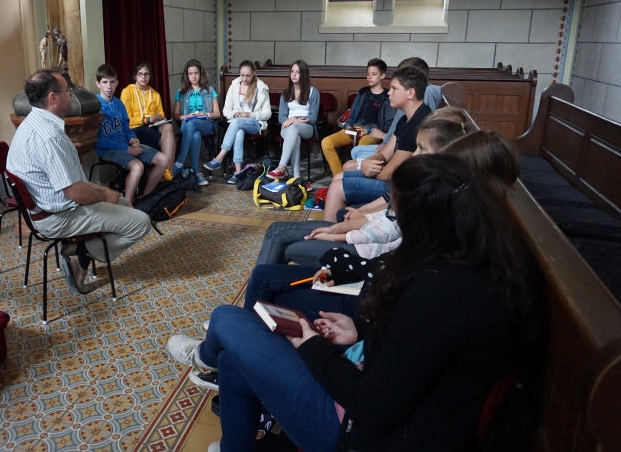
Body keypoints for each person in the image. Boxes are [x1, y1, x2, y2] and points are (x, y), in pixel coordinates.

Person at [168, 154, 540, 452]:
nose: (396, 222)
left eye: (398, 214)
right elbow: (414, 353)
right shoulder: (478, 266)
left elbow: (373, 405)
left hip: (359, 433)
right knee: (235, 356)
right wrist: (358, 331)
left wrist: (311, 344)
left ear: (422, 222)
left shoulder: (437, 292)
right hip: (389, 408)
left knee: (227, 319)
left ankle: (205, 356)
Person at [254, 108, 476, 267]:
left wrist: (338, 234)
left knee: (289, 244)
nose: (415, 154)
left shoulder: (432, 194)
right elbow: (389, 209)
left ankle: (269, 292)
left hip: (367, 253)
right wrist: (348, 223)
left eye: (421, 148)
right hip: (369, 238)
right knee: (280, 231)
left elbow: (388, 234)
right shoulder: (428, 181)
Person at [6, 68, 152, 294]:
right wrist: (105, 194)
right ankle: (81, 255)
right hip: (58, 217)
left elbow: (71, 182)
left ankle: (81, 247)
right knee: (141, 222)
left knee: (123, 202)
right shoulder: (50, 137)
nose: (71, 95)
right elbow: (74, 192)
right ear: (53, 98)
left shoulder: (31, 122)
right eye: (67, 91)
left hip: (48, 208)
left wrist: (105, 194)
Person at [323, 65, 431, 221]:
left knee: (337, 186)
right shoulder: (405, 118)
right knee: (339, 177)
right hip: (393, 181)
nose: (389, 93)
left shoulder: (418, 123)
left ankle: (330, 231)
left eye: (394, 89)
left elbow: (389, 174)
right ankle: (335, 228)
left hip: (401, 188)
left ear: (410, 92)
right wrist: (368, 162)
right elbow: (385, 153)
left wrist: (366, 168)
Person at [348, 57, 442, 172]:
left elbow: (409, 146)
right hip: (392, 147)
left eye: (394, 88)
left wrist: (383, 140)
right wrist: (385, 145)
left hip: (400, 158)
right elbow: (395, 133)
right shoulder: (404, 113)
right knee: (356, 151)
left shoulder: (423, 100)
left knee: (350, 166)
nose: (389, 93)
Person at [93, 64, 169, 204]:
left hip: (126, 145)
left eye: (112, 82)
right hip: (107, 149)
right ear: (98, 84)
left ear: (117, 83)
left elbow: (126, 128)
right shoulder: (95, 106)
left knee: (163, 160)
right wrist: (126, 149)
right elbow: (98, 140)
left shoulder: (119, 104)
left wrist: (133, 138)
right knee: (137, 166)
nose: (109, 86)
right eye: (104, 82)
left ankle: (145, 198)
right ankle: (128, 205)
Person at [320, 58, 393, 175]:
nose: (370, 77)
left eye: (374, 74)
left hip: (372, 132)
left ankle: (356, 176)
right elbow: (352, 113)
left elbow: (387, 125)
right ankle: (340, 176)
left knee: (362, 147)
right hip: (355, 129)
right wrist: (349, 126)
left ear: (382, 76)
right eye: (368, 74)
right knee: (326, 142)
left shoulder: (387, 96)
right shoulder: (363, 92)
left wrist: (367, 131)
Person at [203, 60, 271, 183]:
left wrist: (249, 114)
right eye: (242, 75)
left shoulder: (261, 88)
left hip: (255, 123)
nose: (244, 79)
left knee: (237, 122)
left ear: (254, 74)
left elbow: (267, 114)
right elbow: (226, 110)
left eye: (248, 75)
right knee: (239, 131)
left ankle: (219, 157)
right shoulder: (234, 86)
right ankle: (238, 172)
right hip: (237, 123)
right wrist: (233, 114)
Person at [119, 62, 176, 177]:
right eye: (140, 74)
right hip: (135, 128)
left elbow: (162, 116)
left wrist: (159, 119)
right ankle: (168, 173)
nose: (143, 77)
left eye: (146, 74)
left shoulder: (155, 94)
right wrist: (147, 119)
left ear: (150, 76)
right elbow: (126, 119)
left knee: (168, 127)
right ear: (135, 76)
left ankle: (168, 172)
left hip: (153, 126)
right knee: (170, 140)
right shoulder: (127, 91)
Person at [266, 60, 321, 181]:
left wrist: (293, 119)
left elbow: (313, 118)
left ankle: (281, 167)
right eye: (292, 71)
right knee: (294, 134)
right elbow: (282, 118)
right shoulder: (285, 93)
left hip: (306, 127)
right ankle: (297, 177)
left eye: (298, 72)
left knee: (294, 128)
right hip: (288, 128)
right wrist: (290, 121)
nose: (294, 75)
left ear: (304, 74)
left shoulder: (313, 92)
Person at [173, 59, 221, 186]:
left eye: (196, 73)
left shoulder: (209, 90)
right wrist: (187, 116)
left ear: (201, 74)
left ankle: (180, 162)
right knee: (195, 134)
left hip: (205, 123)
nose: (193, 76)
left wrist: (205, 114)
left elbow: (217, 113)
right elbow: (176, 115)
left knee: (192, 125)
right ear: (187, 75)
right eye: (190, 73)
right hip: (187, 123)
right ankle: (196, 172)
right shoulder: (181, 92)